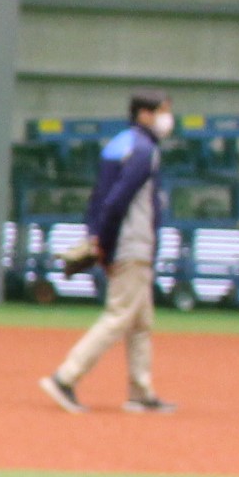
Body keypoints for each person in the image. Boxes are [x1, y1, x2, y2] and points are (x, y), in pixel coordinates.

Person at [41, 91, 177, 414]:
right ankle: (65, 377)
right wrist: (105, 242)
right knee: (118, 316)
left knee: (141, 321)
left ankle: (140, 392)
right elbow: (117, 200)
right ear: (144, 114)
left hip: (126, 243)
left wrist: (95, 235)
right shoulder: (144, 150)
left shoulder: (120, 144)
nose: (167, 118)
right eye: (162, 111)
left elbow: (99, 196)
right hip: (133, 245)